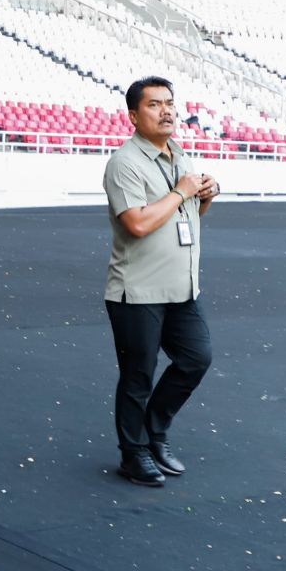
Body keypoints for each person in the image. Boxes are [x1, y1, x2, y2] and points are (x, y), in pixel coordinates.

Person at [102, 77, 219, 488]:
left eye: (169, 103)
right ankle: (133, 455)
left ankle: (154, 432)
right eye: (154, 105)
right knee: (138, 375)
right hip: (138, 291)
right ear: (134, 115)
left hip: (182, 288)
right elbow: (137, 223)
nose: (167, 111)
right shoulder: (124, 163)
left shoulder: (179, 155)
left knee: (196, 359)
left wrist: (203, 196)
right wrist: (181, 190)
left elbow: (184, 219)